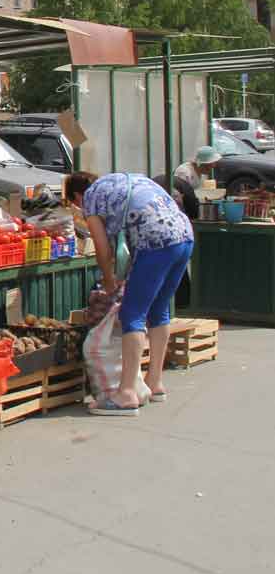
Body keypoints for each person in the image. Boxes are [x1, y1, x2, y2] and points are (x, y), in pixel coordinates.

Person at [63, 171, 193, 415]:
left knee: (131, 315)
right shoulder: (126, 180)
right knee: (159, 309)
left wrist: (110, 280)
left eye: (75, 204)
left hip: (155, 241)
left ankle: (125, 394)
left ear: (78, 195)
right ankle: (155, 382)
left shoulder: (92, 197)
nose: (80, 209)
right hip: (184, 235)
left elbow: (102, 249)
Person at [169, 145, 221, 219]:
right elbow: (178, 196)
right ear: (202, 164)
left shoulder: (200, 173)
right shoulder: (184, 172)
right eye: (210, 165)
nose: (213, 167)